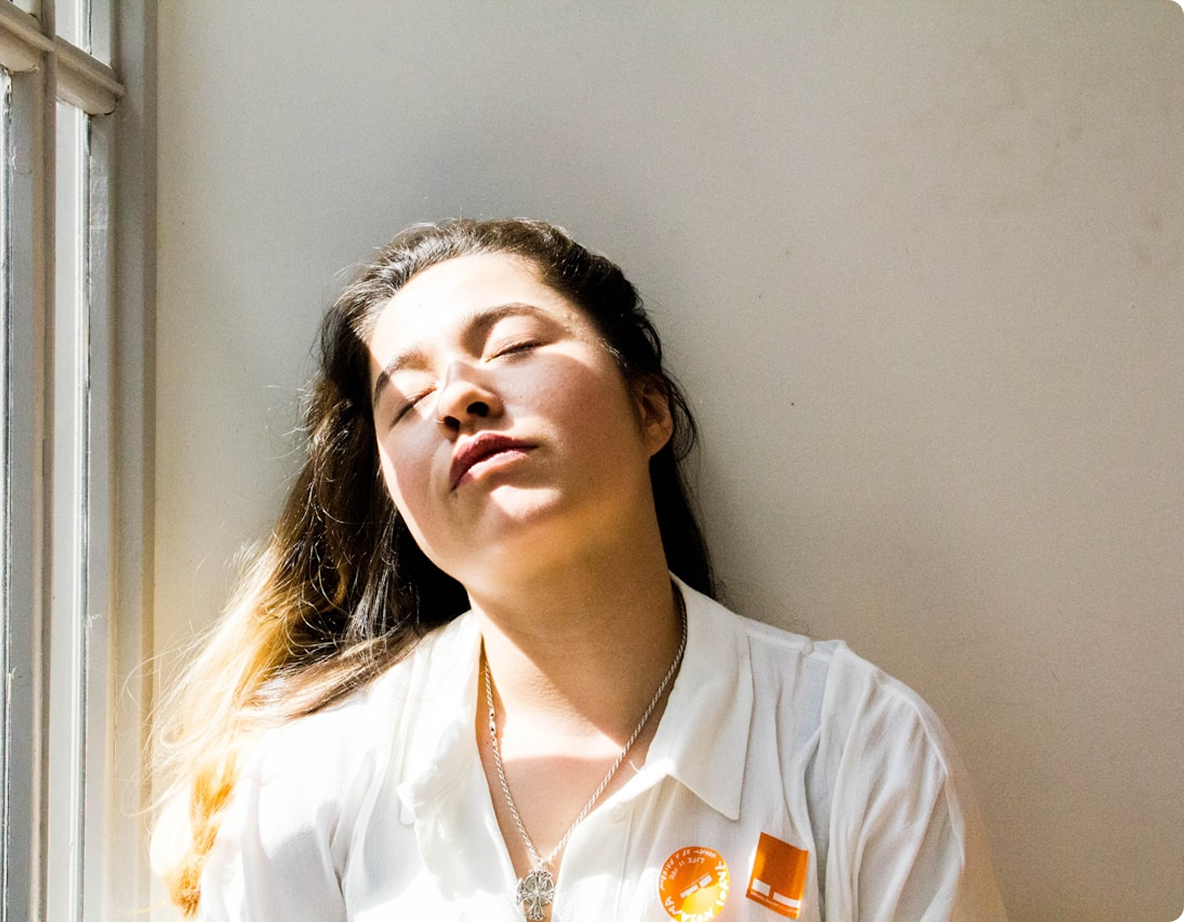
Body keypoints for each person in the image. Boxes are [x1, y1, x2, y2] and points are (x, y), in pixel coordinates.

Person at [149, 218, 1006, 921]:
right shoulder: (309, 784)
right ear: (397, 498)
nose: (459, 398)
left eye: (514, 346)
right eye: (408, 400)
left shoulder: (857, 750)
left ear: (649, 408)